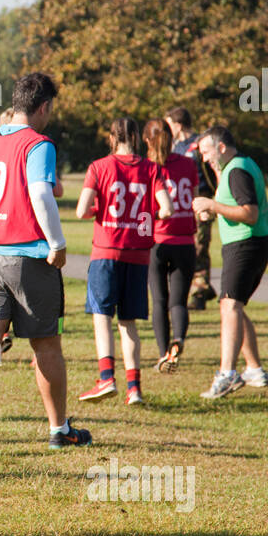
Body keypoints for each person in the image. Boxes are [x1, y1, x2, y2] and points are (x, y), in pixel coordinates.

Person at [0, 72, 89, 451]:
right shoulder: (39, 143)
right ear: (43, 107)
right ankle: (59, 430)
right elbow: (41, 195)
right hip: (27, 256)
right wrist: (57, 243)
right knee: (46, 346)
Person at [75, 119, 172, 406]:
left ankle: (106, 378)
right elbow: (166, 209)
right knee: (128, 322)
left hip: (106, 250)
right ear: (136, 137)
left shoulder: (99, 167)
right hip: (138, 254)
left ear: (111, 138)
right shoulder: (152, 169)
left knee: (102, 316)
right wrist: (145, 214)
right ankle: (134, 388)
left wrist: (100, 208)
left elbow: (82, 210)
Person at [191, 126, 268, 398]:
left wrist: (212, 206)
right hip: (249, 243)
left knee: (229, 305)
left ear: (221, 148)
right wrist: (212, 209)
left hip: (245, 244)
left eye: (206, 152)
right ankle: (254, 369)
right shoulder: (236, 167)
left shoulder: (237, 170)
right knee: (233, 305)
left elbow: (249, 212)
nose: (204, 159)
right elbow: (234, 204)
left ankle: (227, 374)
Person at [144, 119, 198, 372]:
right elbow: (194, 196)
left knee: (159, 300)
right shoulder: (188, 163)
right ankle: (179, 341)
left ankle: (163, 353)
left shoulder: (147, 168)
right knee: (178, 301)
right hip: (185, 239)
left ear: (146, 140)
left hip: (156, 239)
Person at [166, 107, 216, 309]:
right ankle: (201, 288)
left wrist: (212, 201)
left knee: (199, 246)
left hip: (201, 199)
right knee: (187, 247)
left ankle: (199, 293)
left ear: (178, 125)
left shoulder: (198, 145)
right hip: (179, 202)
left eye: (169, 124)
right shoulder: (174, 146)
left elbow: (211, 173)